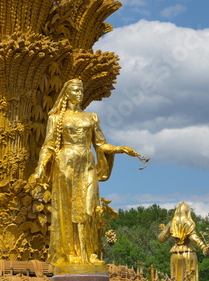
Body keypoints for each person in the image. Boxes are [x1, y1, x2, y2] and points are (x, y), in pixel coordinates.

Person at [34, 78, 142, 265]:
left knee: (89, 209)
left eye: (81, 90)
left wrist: (120, 149)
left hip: (87, 164)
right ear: (67, 93)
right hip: (66, 163)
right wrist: (41, 166)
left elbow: (100, 144)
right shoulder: (56, 118)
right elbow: (49, 145)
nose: (79, 93)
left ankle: (90, 251)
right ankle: (71, 252)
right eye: (75, 90)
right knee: (69, 209)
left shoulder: (91, 117)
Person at [158, 202, 209, 281]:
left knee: (175, 277)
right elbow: (193, 237)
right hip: (188, 253)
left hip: (175, 254)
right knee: (190, 276)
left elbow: (161, 239)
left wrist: (165, 229)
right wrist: (203, 247)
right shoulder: (188, 223)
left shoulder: (171, 224)